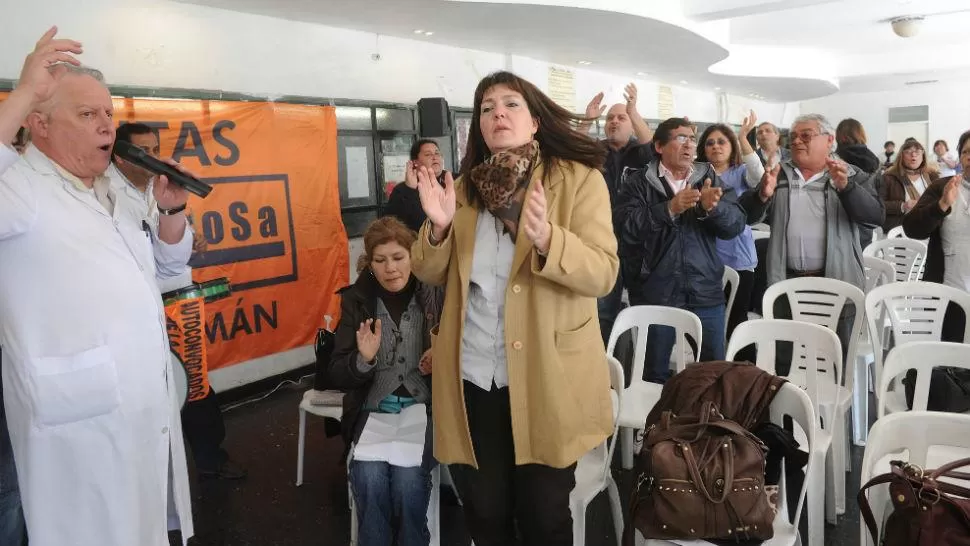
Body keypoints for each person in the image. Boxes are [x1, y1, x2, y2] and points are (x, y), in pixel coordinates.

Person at [0, 28, 194, 545]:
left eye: (107, 113)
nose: (106, 125)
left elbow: (171, 269)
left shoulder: (116, 189)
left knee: (142, 524)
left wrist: (171, 207)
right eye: (87, 115)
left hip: (142, 409)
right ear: (38, 125)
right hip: (77, 420)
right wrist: (21, 93)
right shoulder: (18, 188)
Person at [410, 70, 618, 546]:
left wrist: (549, 240)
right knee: (484, 513)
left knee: (545, 517)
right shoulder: (462, 190)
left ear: (535, 121)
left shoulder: (577, 181)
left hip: (546, 375)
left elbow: (603, 273)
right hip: (473, 375)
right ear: (479, 127)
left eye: (510, 104)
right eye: (487, 108)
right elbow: (428, 270)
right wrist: (439, 229)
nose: (497, 113)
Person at [109, 122, 246, 481]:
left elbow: (174, 253)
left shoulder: (162, 189)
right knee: (148, 387)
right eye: (144, 152)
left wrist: (191, 237)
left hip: (179, 302)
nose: (155, 158)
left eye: (156, 149)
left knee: (194, 380)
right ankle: (155, 474)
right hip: (137, 310)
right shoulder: (106, 194)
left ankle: (210, 457)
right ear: (121, 158)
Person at [739, 113, 884, 367]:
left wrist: (847, 188)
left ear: (829, 141)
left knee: (832, 359)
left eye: (806, 136)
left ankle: (832, 407)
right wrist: (761, 195)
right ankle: (790, 406)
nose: (796, 142)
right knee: (785, 359)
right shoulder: (778, 174)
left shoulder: (851, 174)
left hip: (835, 282)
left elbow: (874, 216)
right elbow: (746, 217)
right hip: (786, 282)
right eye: (793, 137)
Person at [330, 216, 440, 546]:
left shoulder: (434, 296)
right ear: (370, 263)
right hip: (373, 411)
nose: (390, 268)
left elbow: (464, 351)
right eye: (380, 260)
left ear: (413, 257)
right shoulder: (357, 300)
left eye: (398, 257)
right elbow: (336, 372)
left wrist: (442, 356)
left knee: (408, 481)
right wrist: (362, 360)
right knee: (368, 476)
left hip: (425, 411)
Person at [615, 117, 746, 382]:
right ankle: (658, 423)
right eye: (681, 138)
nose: (689, 146)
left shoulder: (708, 177)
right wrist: (669, 209)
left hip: (705, 290)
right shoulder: (638, 183)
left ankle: (708, 421)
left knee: (713, 372)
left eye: (692, 139)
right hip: (656, 291)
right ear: (659, 146)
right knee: (654, 373)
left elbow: (736, 224)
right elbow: (625, 228)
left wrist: (713, 209)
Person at [578, 84, 654, 342]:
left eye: (621, 117)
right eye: (610, 117)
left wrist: (633, 111)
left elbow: (654, 147)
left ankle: (642, 366)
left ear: (632, 124)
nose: (614, 121)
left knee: (644, 311)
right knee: (603, 311)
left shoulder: (640, 152)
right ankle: (603, 367)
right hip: (602, 244)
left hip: (639, 245)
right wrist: (586, 122)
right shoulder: (595, 151)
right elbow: (568, 155)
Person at [695, 113, 765, 344]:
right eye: (710, 143)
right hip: (705, 259)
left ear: (731, 146)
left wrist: (743, 137)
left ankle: (742, 372)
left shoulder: (741, 173)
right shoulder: (696, 175)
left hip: (738, 258)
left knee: (736, 321)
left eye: (721, 141)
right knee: (705, 322)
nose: (715, 147)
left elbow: (759, 176)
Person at [903, 130, 970, 342]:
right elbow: (912, 228)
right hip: (950, 293)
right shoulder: (943, 187)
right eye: (966, 152)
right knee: (951, 359)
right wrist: (941, 206)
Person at [835, 118, 882, 248]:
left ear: (841, 137)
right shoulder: (874, 160)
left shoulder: (837, 160)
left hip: (841, 225)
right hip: (867, 224)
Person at [385, 139, 449, 232]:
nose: (435, 157)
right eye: (428, 154)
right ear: (415, 162)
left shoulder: (453, 181)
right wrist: (410, 190)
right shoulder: (403, 190)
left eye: (437, 153)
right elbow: (391, 224)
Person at [881, 138, 940, 232]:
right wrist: (903, 206)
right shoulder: (888, 177)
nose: (913, 155)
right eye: (908, 152)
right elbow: (878, 204)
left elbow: (941, 200)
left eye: (917, 152)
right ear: (901, 156)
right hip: (900, 229)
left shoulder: (932, 175)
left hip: (931, 227)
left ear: (923, 156)